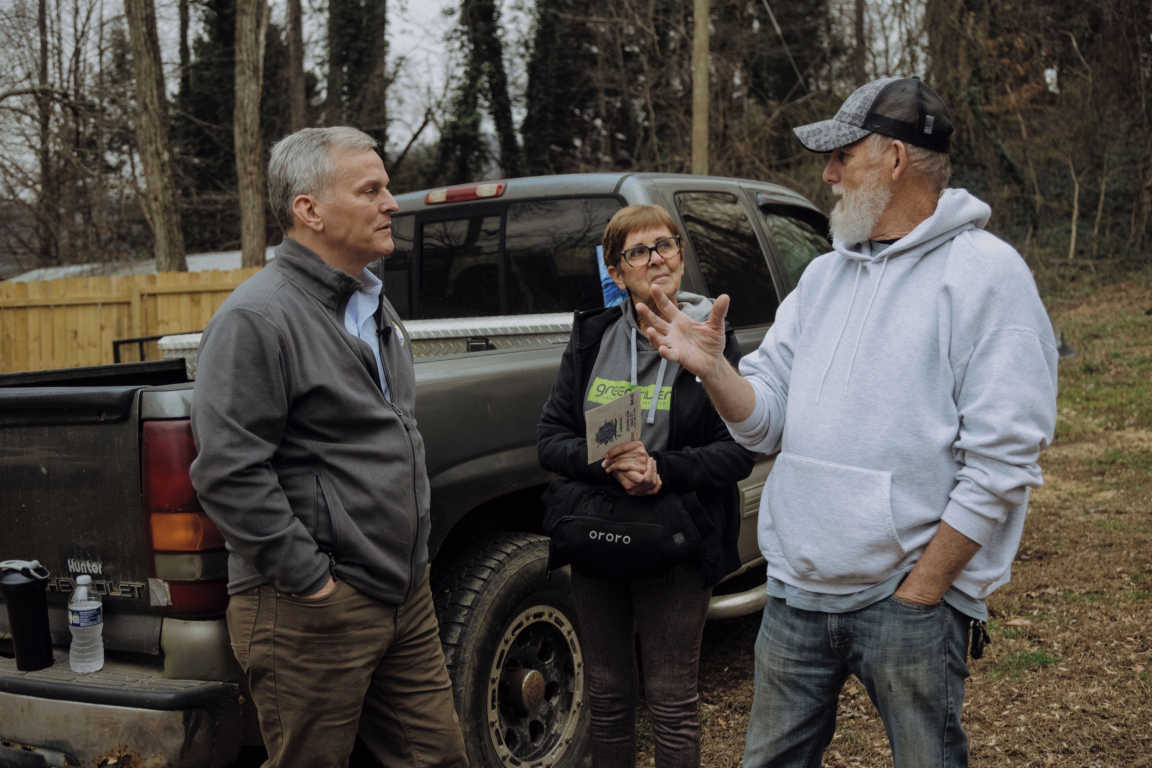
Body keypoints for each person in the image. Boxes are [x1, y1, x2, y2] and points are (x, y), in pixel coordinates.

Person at [636, 77, 1059, 767]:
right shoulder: (824, 279)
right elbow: (765, 423)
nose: (826, 174)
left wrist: (925, 589)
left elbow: (1005, 461)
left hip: (909, 602)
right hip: (797, 595)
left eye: (843, 155)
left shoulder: (985, 275)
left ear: (895, 158)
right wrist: (714, 370)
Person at [189, 127, 468, 768]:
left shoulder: (373, 304)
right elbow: (229, 472)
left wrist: (411, 565)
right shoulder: (257, 318)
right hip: (308, 610)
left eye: (386, 188)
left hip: (403, 592)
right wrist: (312, 582)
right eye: (370, 190)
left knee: (439, 758)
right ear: (309, 210)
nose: (391, 203)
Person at [537, 204, 756, 768]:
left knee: (671, 700)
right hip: (600, 531)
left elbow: (736, 452)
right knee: (608, 697)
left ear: (681, 257)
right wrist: (605, 462)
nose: (655, 258)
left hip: (678, 535)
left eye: (665, 245)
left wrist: (663, 469)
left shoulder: (711, 337)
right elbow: (551, 439)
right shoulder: (592, 339)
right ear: (616, 271)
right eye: (637, 251)